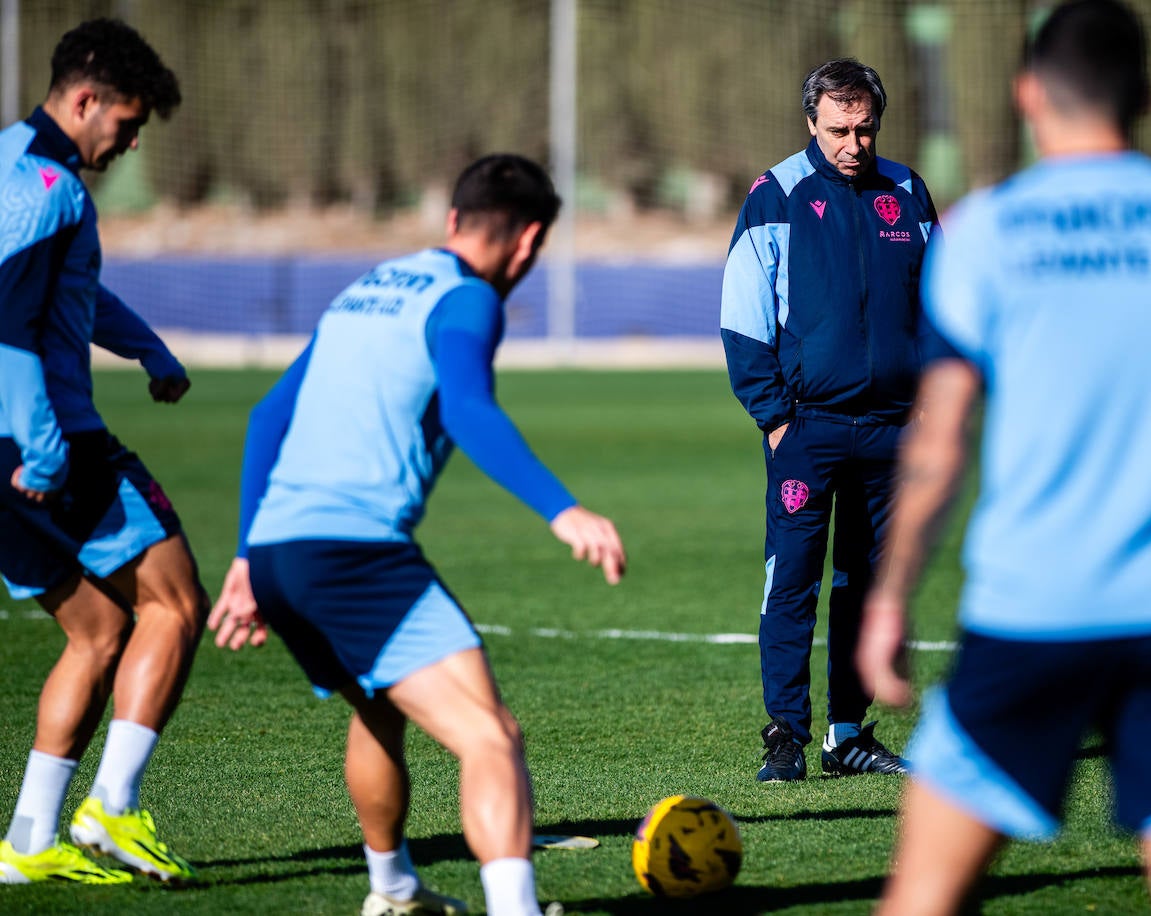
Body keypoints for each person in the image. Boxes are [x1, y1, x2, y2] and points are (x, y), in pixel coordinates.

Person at [855, 1, 1151, 913]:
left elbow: (940, 435)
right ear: (1149, 96)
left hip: (1028, 613)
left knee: (922, 896)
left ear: (1027, 95)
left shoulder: (985, 229)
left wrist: (889, 596)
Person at [209, 153, 625, 916]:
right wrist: (564, 510)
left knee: (380, 706)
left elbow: (267, 416)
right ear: (530, 243)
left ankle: (393, 889)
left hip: (277, 553)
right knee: (490, 737)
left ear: (452, 220)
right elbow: (469, 410)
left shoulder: (367, 289)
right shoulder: (470, 301)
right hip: (351, 555)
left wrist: (244, 556)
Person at [0, 19, 203, 887]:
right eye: (124, 124)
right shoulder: (51, 188)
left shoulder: (10, 163)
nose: (126, 143)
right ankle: (113, 808)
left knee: (97, 630)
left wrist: (147, 347)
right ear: (85, 99)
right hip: (46, 445)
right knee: (177, 603)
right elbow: (8, 322)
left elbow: (60, 289)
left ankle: (27, 843)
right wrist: (42, 453)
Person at [720, 57, 939, 782]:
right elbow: (743, 319)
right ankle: (785, 735)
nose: (853, 144)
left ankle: (848, 736)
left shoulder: (907, 192)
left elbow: (939, 311)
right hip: (806, 430)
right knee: (793, 584)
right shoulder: (776, 195)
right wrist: (775, 418)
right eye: (840, 129)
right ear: (811, 122)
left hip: (891, 433)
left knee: (866, 586)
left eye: (865, 129)